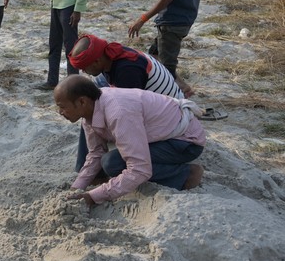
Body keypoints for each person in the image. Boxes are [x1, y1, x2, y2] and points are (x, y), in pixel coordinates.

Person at [55, 75, 205, 207]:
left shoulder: (118, 112)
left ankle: (185, 174)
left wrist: (93, 197)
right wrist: (76, 188)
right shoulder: (90, 111)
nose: (60, 113)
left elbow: (139, 169)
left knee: (113, 163)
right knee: (108, 160)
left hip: (186, 142)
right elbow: (95, 153)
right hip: (161, 136)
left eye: (62, 107)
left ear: (82, 102)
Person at [68, 33, 184, 170]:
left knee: (90, 114)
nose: (83, 70)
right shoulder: (112, 55)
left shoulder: (128, 71)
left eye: (85, 67)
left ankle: (90, 169)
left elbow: (129, 116)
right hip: (158, 104)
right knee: (89, 105)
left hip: (173, 121)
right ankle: (85, 166)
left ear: (97, 61)